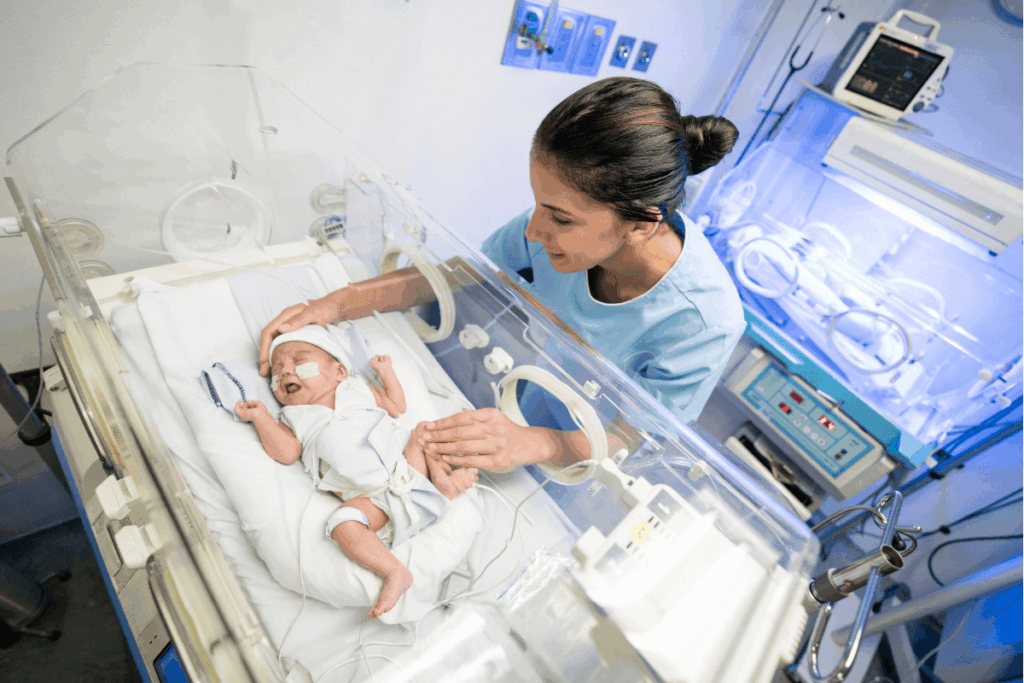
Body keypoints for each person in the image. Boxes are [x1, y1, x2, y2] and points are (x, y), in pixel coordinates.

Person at [258, 77, 744, 475]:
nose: (533, 231)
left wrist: (533, 443)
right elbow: (456, 276)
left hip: (575, 452)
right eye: (538, 205)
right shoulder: (556, 229)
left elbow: (630, 436)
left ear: (640, 224)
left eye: (560, 218)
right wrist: (336, 303)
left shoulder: (702, 322)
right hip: (515, 391)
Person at [235, 325, 477, 618]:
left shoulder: (357, 388)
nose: (285, 371)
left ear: (339, 371)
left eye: (299, 361)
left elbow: (397, 405)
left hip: (407, 466)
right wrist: (261, 418)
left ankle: (443, 484)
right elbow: (287, 453)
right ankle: (395, 571)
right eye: (277, 371)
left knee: (424, 432)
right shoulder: (294, 416)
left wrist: (386, 373)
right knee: (343, 523)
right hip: (372, 500)